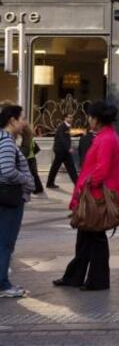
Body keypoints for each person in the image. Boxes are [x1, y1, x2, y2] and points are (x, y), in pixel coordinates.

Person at [52, 101, 119, 292]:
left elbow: (102, 168)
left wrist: (87, 184)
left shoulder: (106, 138)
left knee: (95, 238)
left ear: (96, 119)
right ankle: (75, 276)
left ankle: (97, 280)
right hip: (93, 193)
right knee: (85, 237)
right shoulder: (106, 136)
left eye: (90, 117)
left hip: (96, 195)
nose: (88, 120)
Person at [0, 104, 32, 298]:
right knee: (5, 242)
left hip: (5, 196)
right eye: (22, 119)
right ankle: (3, 285)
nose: (25, 123)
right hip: (9, 197)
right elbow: (7, 170)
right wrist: (25, 179)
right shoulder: (6, 142)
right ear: (12, 120)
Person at [47, 113, 78, 189]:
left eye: (72, 117)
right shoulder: (62, 126)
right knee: (70, 168)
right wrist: (68, 148)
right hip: (61, 151)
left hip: (63, 150)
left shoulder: (67, 126)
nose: (71, 119)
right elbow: (62, 138)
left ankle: (49, 183)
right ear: (65, 118)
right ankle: (78, 184)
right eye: (69, 117)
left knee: (60, 167)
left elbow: (65, 138)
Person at [19, 126, 44, 195]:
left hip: (29, 159)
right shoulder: (29, 138)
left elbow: (26, 150)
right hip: (31, 158)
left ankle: (37, 188)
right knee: (33, 174)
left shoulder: (26, 139)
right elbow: (36, 148)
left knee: (32, 174)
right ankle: (38, 188)